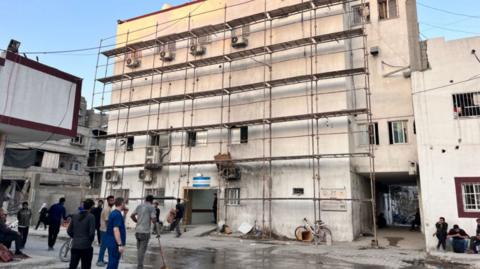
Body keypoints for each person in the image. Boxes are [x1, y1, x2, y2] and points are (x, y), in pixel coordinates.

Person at [67, 199, 95, 269]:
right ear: (91, 207)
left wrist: (75, 237)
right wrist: (89, 241)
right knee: (86, 266)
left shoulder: (75, 216)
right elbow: (92, 233)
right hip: (86, 246)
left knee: (72, 266)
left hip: (75, 245)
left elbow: (69, 231)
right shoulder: (91, 217)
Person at [130, 195, 157, 269]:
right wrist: (156, 227)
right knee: (141, 251)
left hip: (138, 231)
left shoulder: (139, 206)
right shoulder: (151, 207)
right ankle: (140, 266)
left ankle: (139, 265)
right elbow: (154, 219)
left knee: (139, 250)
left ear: (145, 199)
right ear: (152, 201)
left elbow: (132, 215)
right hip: (145, 232)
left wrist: (137, 221)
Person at [104, 197, 127, 269]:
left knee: (112, 262)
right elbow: (116, 230)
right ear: (122, 204)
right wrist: (119, 244)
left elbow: (119, 224)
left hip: (111, 241)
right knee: (113, 263)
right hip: (114, 243)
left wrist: (125, 214)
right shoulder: (117, 214)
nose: (125, 205)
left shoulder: (115, 213)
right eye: (124, 203)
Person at [97, 196, 114, 267]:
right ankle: (99, 261)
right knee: (103, 246)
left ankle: (101, 259)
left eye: (113, 200)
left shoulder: (110, 208)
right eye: (111, 200)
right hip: (104, 230)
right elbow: (107, 221)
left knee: (105, 246)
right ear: (107, 201)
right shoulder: (107, 209)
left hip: (105, 230)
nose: (112, 202)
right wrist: (111, 230)